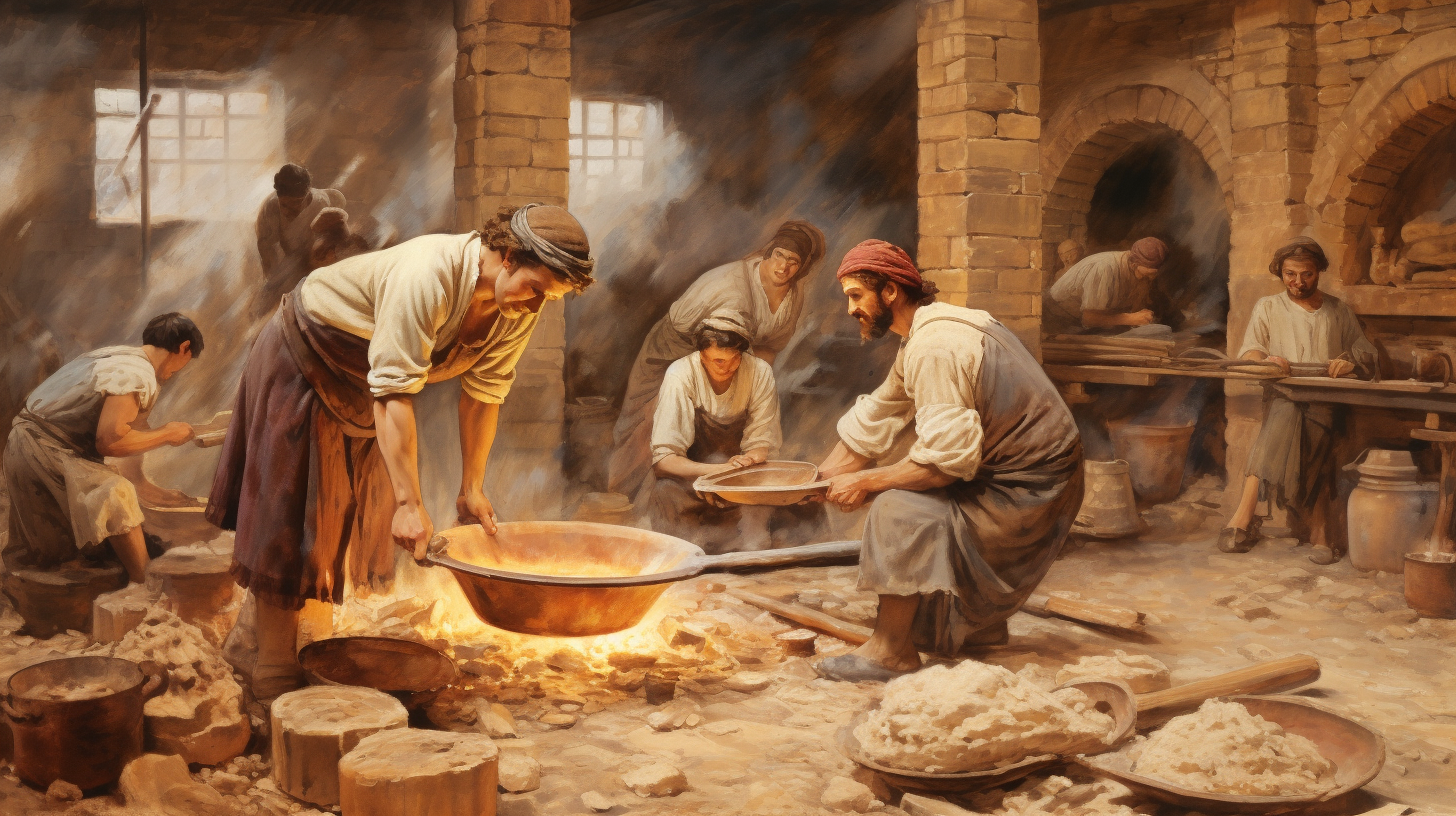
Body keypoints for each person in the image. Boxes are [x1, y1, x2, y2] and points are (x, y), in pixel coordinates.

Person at [208, 203, 593, 698]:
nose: (537, 305)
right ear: (510, 255)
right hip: (302, 357)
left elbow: (484, 395)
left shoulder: (513, 308)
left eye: (551, 298)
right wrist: (410, 504)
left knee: (335, 509)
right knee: (291, 511)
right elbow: (392, 393)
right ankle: (275, 667)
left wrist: (470, 489)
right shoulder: (428, 274)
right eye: (537, 289)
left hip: (360, 384)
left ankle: (270, 637)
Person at [811, 241, 1083, 682]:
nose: (849, 309)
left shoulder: (937, 347)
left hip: (1029, 489)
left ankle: (891, 653)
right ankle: (979, 630)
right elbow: (879, 413)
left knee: (899, 510)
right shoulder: (930, 331)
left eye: (856, 295)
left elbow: (944, 465)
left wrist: (868, 482)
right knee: (904, 496)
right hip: (1020, 472)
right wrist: (815, 480)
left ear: (891, 292)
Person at [608, 220, 826, 499]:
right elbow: (713, 344)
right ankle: (625, 499)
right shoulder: (733, 287)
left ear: (803, 266)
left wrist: (754, 389)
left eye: (793, 261)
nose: (783, 266)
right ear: (769, 253)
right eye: (779, 255)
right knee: (646, 423)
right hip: (674, 348)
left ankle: (710, 493)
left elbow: (769, 348)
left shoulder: (793, 296)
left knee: (721, 428)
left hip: (726, 356)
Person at [3, 314, 202, 584]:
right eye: (185, 362)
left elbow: (132, 449)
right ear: (184, 347)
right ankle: (144, 583)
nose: (179, 370)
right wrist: (167, 434)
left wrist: (157, 493)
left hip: (26, 447)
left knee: (66, 554)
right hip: (44, 451)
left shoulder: (115, 357)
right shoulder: (136, 374)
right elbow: (110, 442)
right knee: (114, 495)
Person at [1219, 238, 1376, 565]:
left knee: (1311, 433)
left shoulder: (1337, 310)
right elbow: (1250, 351)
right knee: (1285, 413)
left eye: (1306, 274)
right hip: (1283, 393)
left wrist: (1350, 363)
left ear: (1318, 272)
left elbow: (1366, 353)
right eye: (1290, 274)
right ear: (1280, 272)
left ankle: (1244, 519)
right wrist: (1267, 361)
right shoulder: (1268, 306)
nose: (1298, 282)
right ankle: (1318, 532)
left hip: (1327, 397)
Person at [648, 312, 822, 552]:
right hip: (693, 480)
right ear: (702, 354)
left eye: (735, 358)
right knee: (665, 494)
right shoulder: (681, 374)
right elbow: (664, 461)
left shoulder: (758, 371)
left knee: (806, 504)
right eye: (718, 360)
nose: (727, 367)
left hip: (745, 477)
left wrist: (749, 461)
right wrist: (719, 474)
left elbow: (762, 441)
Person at [253, 163, 346, 316]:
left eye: (297, 203)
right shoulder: (270, 208)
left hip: (316, 260)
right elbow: (266, 248)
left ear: (307, 194)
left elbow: (327, 245)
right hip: (289, 260)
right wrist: (274, 283)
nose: (290, 210)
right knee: (267, 305)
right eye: (284, 205)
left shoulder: (320, 203)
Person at [1044, 236, 1169, 333]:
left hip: (1084, 318)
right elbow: (1089, 319)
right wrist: (1131, 318)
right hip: (1057, 315)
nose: (1152, 278)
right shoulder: (1105, 268)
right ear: (1133, 265)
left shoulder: (1137, 268)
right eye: (1148, 274)